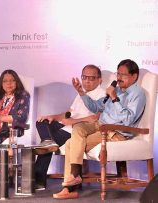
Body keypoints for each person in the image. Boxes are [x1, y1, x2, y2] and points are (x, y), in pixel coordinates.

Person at [53, 59, 146, 199]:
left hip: (115, 131)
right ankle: (75, 177)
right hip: (101, 124)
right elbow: (97, 107)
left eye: (123, 75)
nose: (119, 78)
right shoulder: (117, 89)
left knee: (70, 144)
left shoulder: (138, 94)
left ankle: (69, 187)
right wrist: (81, 93)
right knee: (78, 128)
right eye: (118, 74)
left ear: (134, 76)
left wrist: (115, 98)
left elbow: (128, 120)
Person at [34, 65, 106, 190]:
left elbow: (95, 119)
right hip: (67, 125)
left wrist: (72, 121)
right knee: (41, 122)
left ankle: (38, 181)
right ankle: (50, 143)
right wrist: (53, 117)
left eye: (91, 78)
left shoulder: (102, 94)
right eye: (84, 77)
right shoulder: (81, 93)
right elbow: (69, 113)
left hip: (78, 129)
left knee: (46, 144)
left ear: (100, 80)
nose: (87, 81)